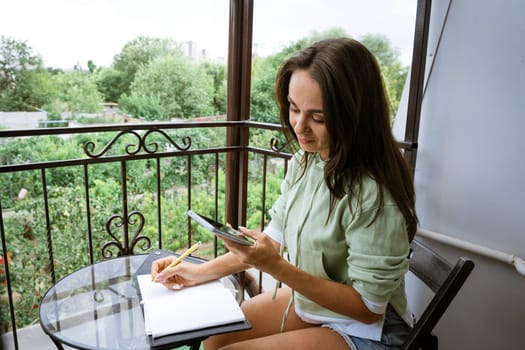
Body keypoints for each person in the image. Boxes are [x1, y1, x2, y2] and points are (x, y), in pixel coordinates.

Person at [151, 37, 418, 350]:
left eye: (318, 118)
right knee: (214, 338)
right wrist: (197, 273)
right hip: (314, 304)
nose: (299, 127)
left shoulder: (373, 192)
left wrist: (276, 267)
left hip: (369, 329)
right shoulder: (305, 162)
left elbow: (368, 307)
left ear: (355, 115)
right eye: (293, 109)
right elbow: (273, 240)